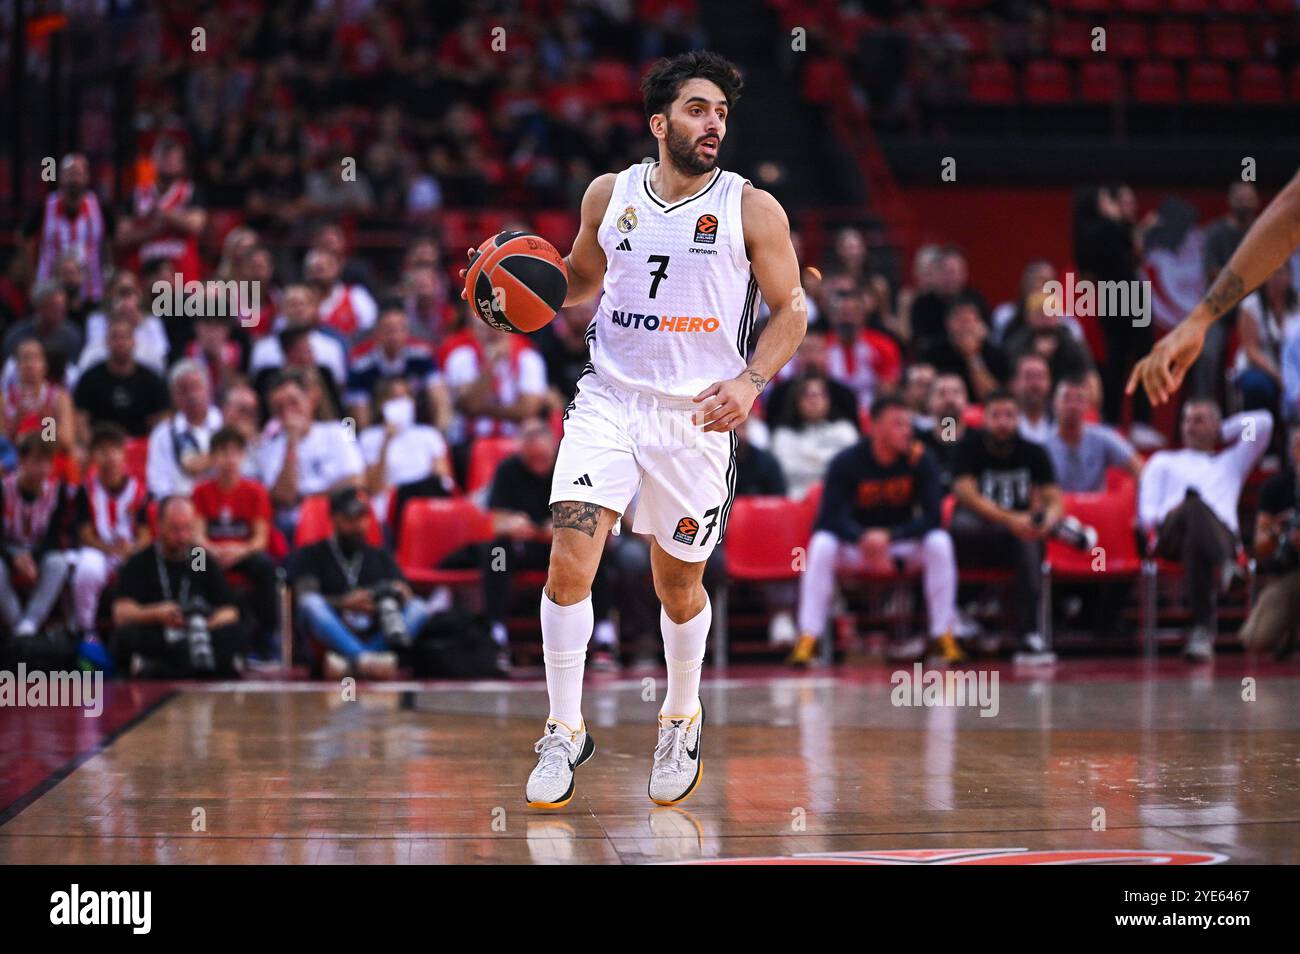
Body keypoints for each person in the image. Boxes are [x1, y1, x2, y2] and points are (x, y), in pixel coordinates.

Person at [459, 51, 804, 809]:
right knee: (568, 564)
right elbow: (579, 279)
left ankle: (680, 714)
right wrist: (510, 286)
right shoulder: (609, 194)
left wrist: (750, 381)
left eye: (720, 112)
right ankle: (563, 727)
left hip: (697, 419)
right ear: (659, 122)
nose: (713, 123)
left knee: (677, 587)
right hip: (609, 401)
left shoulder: (753, 209)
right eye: (697, 109)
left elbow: (793, 311)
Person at [789, 395, 959, 666]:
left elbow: (934, 518)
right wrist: (862, 538)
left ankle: (943, 636)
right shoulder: (847, 461)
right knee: (821, 544)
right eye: (898, 424)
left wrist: (890, 537)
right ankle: (809, 638)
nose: (907, 431)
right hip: (857, 546)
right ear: (876, 427)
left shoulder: (921, 459)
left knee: (939, 542)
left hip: (899, 545)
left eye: (908, 424)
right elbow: (827, 519)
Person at [1128, 168, 1300, 406]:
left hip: (1256, 302)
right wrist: (1200, 319)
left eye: (1249, 198)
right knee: (1209, 350)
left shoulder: (1261, 238)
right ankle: (1203, 405)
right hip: (1229, 309)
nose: (1245, 203)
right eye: (1240, 198)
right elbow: (1290, 218)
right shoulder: (1219, 233)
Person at [1138, 401, 1272, 661]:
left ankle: (1201, 633)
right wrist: (1177, 510)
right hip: (1170, 533)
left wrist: (1224, 431)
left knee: (1195, 540)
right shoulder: (1163, 461)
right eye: (1187, 420)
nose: (1190, 426)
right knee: (1193, 506)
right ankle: (1227, 567)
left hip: (1218, 536)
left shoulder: (1231, 462)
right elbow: (1146, 516)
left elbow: (1263, 421)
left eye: (1199, 420)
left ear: (1216, 426)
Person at [949, 390, 1063, 654]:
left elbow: (1054, 498)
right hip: (978, 528)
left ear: (1019, 419)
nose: (1002, 422)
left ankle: (1029, 634)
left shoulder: (1034, 452)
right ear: (984, 418)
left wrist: (1048, 518)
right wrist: (1011, 519)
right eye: (996, 416)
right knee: (956, 529)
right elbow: (965, 493)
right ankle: (960, 614)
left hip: (1016, 535)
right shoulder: (967, 446)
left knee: (1030, 540)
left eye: (1009, 415)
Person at [287, 487, 431, 681]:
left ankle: (353, 663)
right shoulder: (312, 554)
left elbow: (405, 593)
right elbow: (305, 596)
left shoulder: (380, 556)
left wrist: (383, 600)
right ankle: (366, 660)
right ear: (335, 518)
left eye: (364, 517)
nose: (360, 525)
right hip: (334, 629)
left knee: (419, 608)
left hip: (374, 628)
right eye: (352, 518)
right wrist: (345, 603)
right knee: (311, 604)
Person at [111, 496, 243, 678]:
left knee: (234, 632)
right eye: (175, 529)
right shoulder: (143, 561)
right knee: (127, 635)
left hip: (197, 634)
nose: (182, 537)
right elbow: (121, 613)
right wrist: (156, 614)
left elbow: (229, 610)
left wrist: (205, 624)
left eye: (187, 528)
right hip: (160, 632)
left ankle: (168, 666)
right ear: (159, 525)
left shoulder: (197, 558)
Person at [192, 427, 279, 658]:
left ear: (243, 456)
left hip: (242, 554)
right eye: (222, 452)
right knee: (194, 560)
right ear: (212, 458)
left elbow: (260, 540)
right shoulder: (201, 491)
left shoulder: (256, 491)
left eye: (234, 452)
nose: (228, 459)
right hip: (211, 554)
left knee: (265, 566)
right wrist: (214, 550)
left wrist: (237, 552)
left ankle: (266, 636)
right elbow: (197, 535)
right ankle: (197, 620)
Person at [70, 425, 151, 647]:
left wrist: (132, 552)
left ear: (123, 454)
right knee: (87, 569)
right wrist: (109, 550)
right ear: (94, 456)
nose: (109, 457)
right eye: (102, 451)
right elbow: (84, 534)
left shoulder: (140, 490)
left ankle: (144, 633)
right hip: (99, 551)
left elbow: (145, 534)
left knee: (148, 567)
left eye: (114, 450)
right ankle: (85, 630)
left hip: (130, 552)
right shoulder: (85, 490)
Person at [255, 371, 364, 534]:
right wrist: (291, 444)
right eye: (280, 407)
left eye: (293, 402)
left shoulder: (339, 430)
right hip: (294, 527)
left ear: (310, 400)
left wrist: (308, 500)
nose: (288, 412)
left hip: (339, 517)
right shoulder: (267, 448)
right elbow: (284, 497)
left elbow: (357, 480)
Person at [0, 434, 73, 639]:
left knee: (59, 563)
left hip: (39, 551)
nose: (43, 468)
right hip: (7, 551)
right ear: (22, 461)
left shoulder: (57, 492)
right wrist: (14, 557)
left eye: (47, 462)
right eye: (37, 461)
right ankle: (18, 624)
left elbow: (54, 538)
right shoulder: (3, 489)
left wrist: (33, 558)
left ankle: (31, 622)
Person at [358, 376, 453, 525]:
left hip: (425, 495)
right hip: (392, 502)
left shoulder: (429, 434)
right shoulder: (369, 438)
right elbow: (373, 488)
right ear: (382, 404)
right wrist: (386, 442)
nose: (401, 403)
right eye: (394, 398)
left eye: (405, 397)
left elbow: (443, 479)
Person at [1241, 427, 1300, 658]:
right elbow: (1259, 546)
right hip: (1287, 573)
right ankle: (1290, 629)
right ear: (1293, 450)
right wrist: (1278, 532)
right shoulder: (1276, 487)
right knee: (1255, 639)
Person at [73, 311, 171, 440]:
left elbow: (164, 419)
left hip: (142, 446)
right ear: (106, 341)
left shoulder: (152, 380)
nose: (120, 342)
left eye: (125, 337)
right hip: (101, 446)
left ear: (134, 341)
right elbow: (80, 420)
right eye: (115, 337)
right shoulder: (89, 379)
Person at [1045, 376, 1143, 493]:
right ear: (1054, 403)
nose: (1073, 405)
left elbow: (1139, 468)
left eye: (1079, 399)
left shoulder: (1103, 437)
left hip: (1094, 508)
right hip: (1057, 507)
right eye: (1067, 398)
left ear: (1087, 405)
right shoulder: (1042, 443)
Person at [770, 375, 859, 500]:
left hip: (840, 498)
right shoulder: (783, 435)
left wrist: (812, 461)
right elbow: (785, 471)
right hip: (798, 498)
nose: (815, 400)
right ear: (796, 400)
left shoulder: (845, 430)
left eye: (820, 394)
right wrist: (830, 465)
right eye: (808, 395)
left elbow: (853, 467)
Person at [146, 359, 222, 497]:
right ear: (173, 396)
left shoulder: (225, 424)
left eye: (196, 387)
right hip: (181, 504)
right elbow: (157, 484)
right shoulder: (162, 433)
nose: (192, 395)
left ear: (208, 389)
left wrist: (206, 461)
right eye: (183, 390)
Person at [1232, 263, 1300, 412]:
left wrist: (1291, 376)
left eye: (1281, 273)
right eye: (1273, 273)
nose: (1277, 279)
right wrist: (1279, 376)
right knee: (1257, 387)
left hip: (1293, 368)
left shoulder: (1297, 303)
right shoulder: (1250, 305)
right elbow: (1251, 349)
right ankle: (1251, 434)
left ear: (1290, 276)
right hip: (1260, 367)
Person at [1012, 352, 1054, 445]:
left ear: (1049, 382)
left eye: (1040, 377)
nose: (1035, 384)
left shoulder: (1060, 421)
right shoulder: (1006, 424)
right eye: (1028, 376)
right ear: (1015, 383)